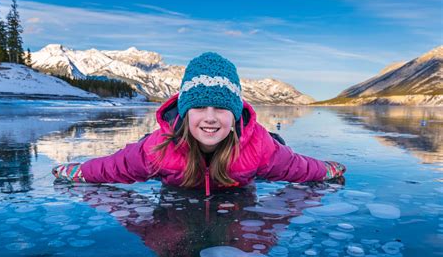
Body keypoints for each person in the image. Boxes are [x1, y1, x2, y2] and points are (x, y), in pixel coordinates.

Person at [52, 52, 346, 196]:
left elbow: (297, 167)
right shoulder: (158, 149)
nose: (209, 117)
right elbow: (115, 166)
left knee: (276, 149)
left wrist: (326, 170)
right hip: (176, 170)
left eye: (220, 108)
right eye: (198, 108)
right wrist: (78, 172)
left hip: (243, 170)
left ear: (234, 115)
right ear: (184, 113)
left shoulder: (260, 147)